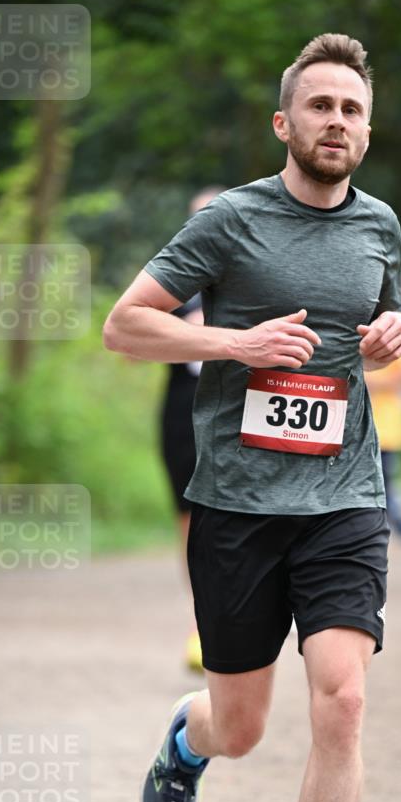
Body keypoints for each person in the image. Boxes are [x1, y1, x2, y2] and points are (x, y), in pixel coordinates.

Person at [104, 33, 401, 802]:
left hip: (344, 495)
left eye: (352, 110)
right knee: (241, 725)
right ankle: (186, 741)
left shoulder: (379, 226)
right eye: (319, 106)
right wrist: (238, 344)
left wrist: (391, 334)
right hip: (238, 504)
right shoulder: (231, 222)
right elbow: (127, 325)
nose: (336, 122)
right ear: (285, 123)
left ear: (366, 130)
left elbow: (383, 327)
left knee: (345, 697)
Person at [158, 187, 224, 672]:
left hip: (239, 409)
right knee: (189, 521)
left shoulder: (258, 271)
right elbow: (131, 335)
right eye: (196, 217)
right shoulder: (169, 277)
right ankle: (201, 621)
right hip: (182, 409)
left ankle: (237, 619)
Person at [364, 349, 401, 544]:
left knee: (385, 487)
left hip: (387, 431)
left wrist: (366, 382)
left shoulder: (394, 333)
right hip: (356, 432)